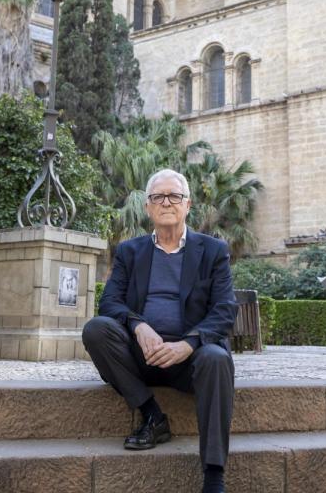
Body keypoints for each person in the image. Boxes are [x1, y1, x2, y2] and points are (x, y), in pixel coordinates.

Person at [82, 169, 237, 493]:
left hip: (191, 361)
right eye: (158, 197)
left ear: (187, 204)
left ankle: (213, 476)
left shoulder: (212, 251)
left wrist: (188, 343)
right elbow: (109, 302)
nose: (166, 202)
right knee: (96, 329)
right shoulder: (130, 251)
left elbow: (224, 310)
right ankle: (152, 415)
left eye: (174, 196)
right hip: (142, 357)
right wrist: (138, 326)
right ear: (148, 207)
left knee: (216, 358)